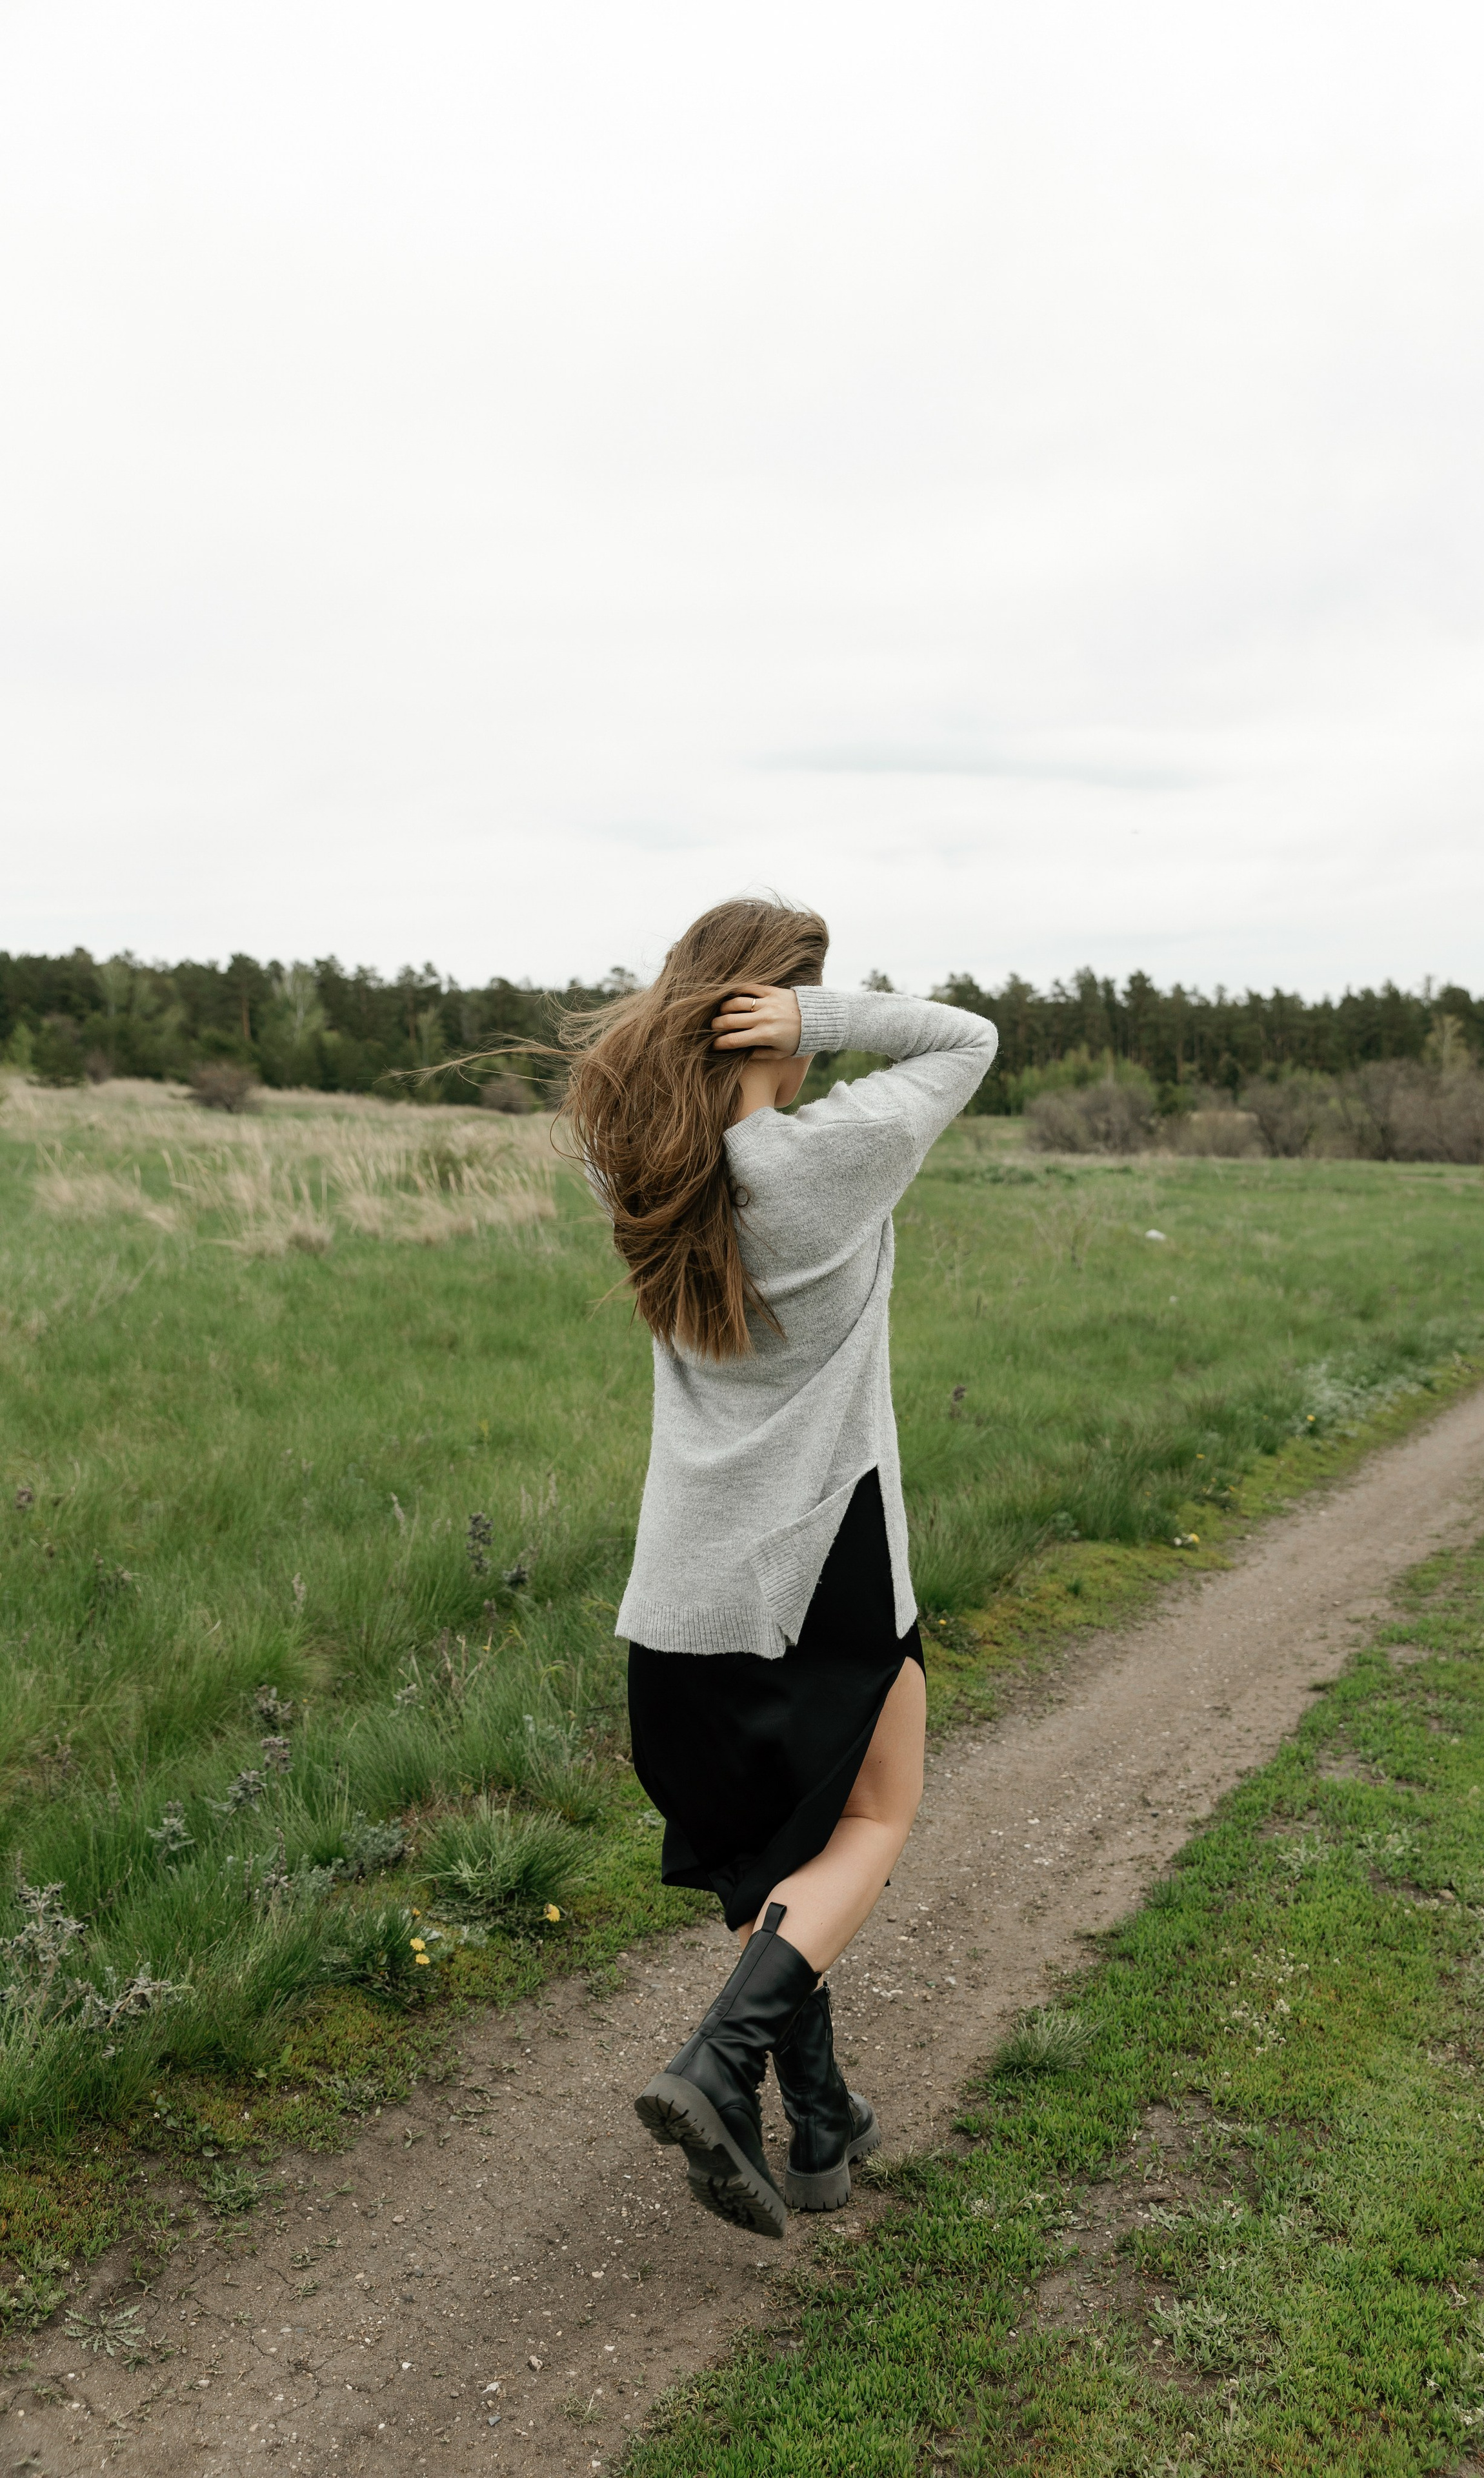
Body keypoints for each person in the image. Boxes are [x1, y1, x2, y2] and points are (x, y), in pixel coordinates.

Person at [564, 897, 997, 2239]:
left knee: (777, 1862)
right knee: (867, 1826)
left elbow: (659, 1099)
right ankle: (719, 2060)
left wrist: (734, 1025)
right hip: (822, 1567)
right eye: (800, 1016)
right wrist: (820, 1017)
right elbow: (966, 1039)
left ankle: (820, 2130)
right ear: (779, 1020)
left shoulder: (637, 1170)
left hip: (680, 1595)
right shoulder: (829, 1159)